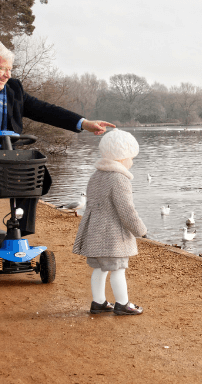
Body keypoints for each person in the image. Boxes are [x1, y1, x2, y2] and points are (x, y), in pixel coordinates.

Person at [0, 41, 115, 251]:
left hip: (2, 160)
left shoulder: (13, 89)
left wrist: (84, 123)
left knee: (34, 166)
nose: (8, 75)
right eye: (4, 68)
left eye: (10, 69)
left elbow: (45, 110)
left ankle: (17, 234)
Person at [72, 129, 147, 315]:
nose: (132, 161)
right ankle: (123, 304)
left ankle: (98, 302)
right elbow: (126, 211)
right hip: (112, 235)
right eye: (131, 157)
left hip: (94, 232)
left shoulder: (96, 176)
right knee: (118, 269)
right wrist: (141, 230)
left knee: (99, 268)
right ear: (122, 157)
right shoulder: (119, 178)